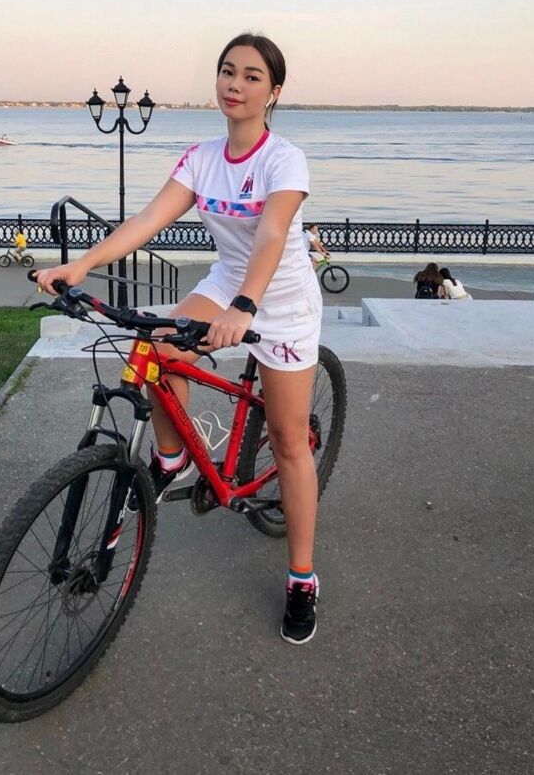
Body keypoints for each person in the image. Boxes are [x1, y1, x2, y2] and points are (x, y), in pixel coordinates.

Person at [35, 33, 323, 646]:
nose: (235, 84)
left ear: (273, 92)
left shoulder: (284, 159)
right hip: (227, 285)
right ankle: (172, 458)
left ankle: (302, 577)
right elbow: (146, 220)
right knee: (157, 351)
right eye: (227, 71)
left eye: (251, 76)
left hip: (282, 302)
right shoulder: (201, 158)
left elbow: (273, 234)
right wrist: (81, 266)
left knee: (288, 440)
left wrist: (246, 306)